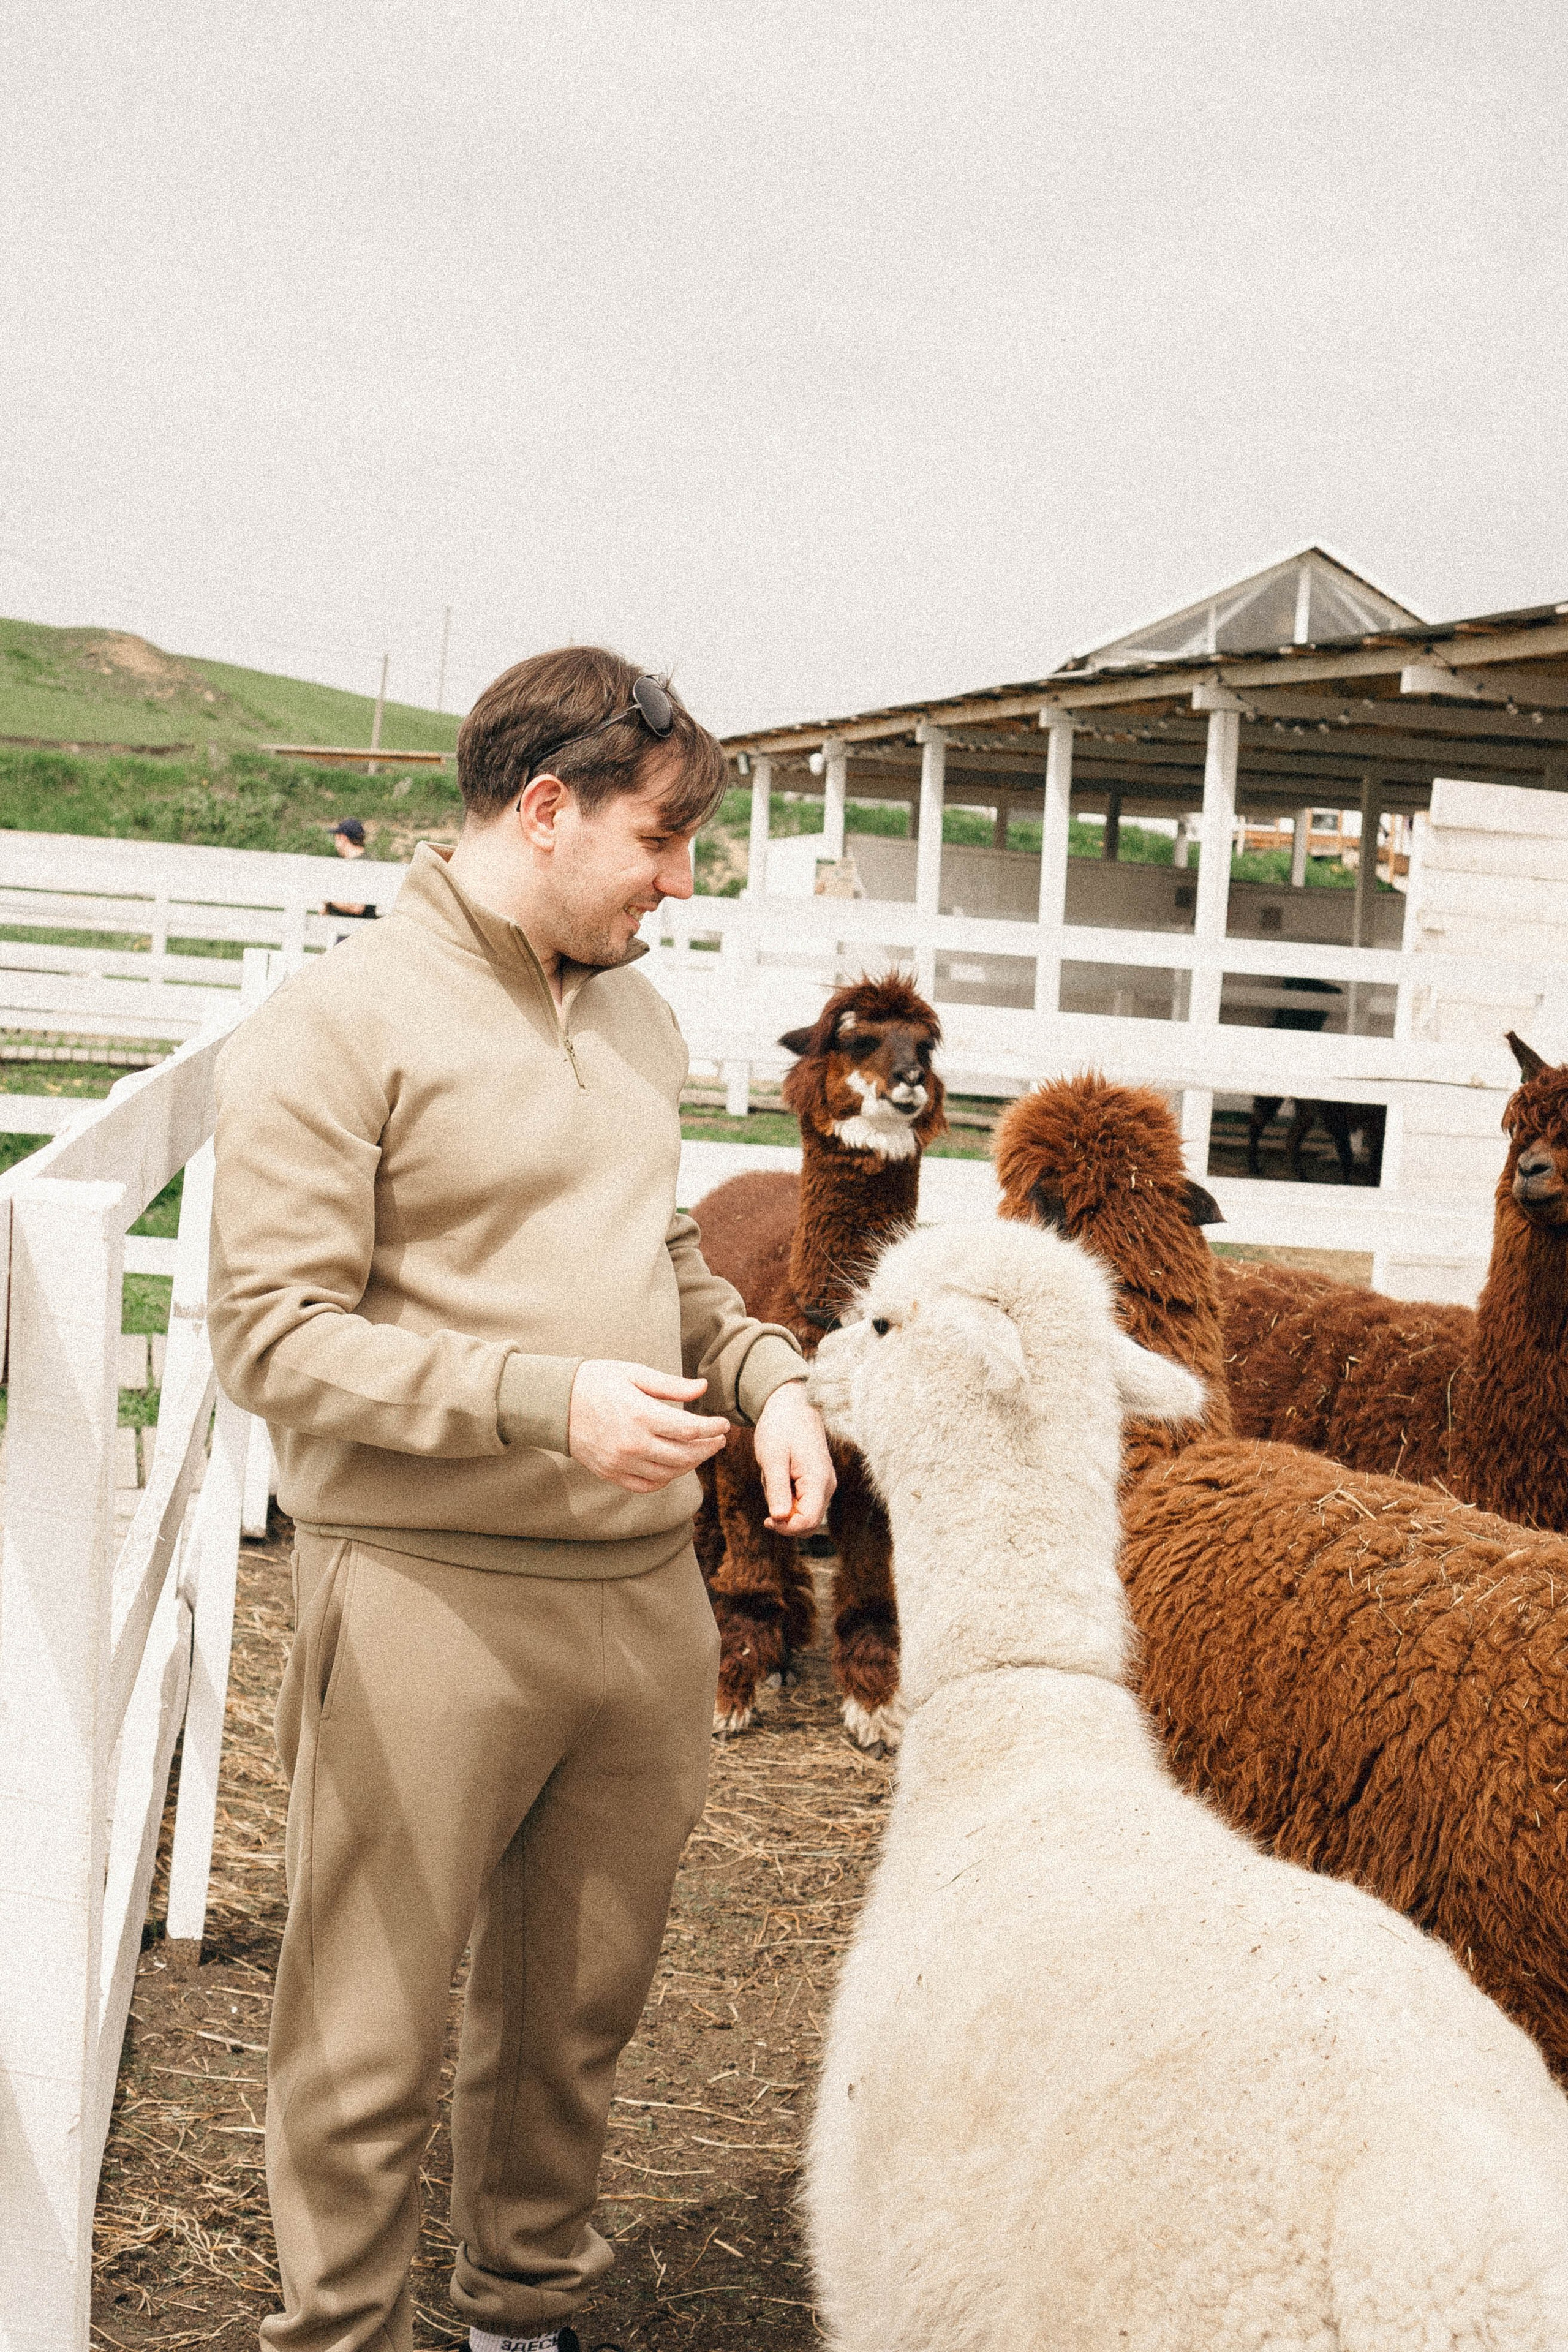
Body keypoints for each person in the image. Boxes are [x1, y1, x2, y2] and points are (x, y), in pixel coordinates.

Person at [208, 647, 836, 2352]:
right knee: (368, 2033)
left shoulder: (634, 1013)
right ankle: (333, 2334)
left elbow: (666, 1270)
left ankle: (518, 2317)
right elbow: (270, 1339)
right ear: (547, 810)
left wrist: (770, 1378)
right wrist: (537, 1402)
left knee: (575, 2020)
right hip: (425, 1591)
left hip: (639, 1600)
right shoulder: (335, 1030)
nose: (680, 881)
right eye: (661, 838)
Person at [323, 814, 376, 918]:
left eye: (336, 838)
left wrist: (329, 900)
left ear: (343, 838)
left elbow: (357, 907)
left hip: (353, 929)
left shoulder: (360, 865)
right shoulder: (365, 862)